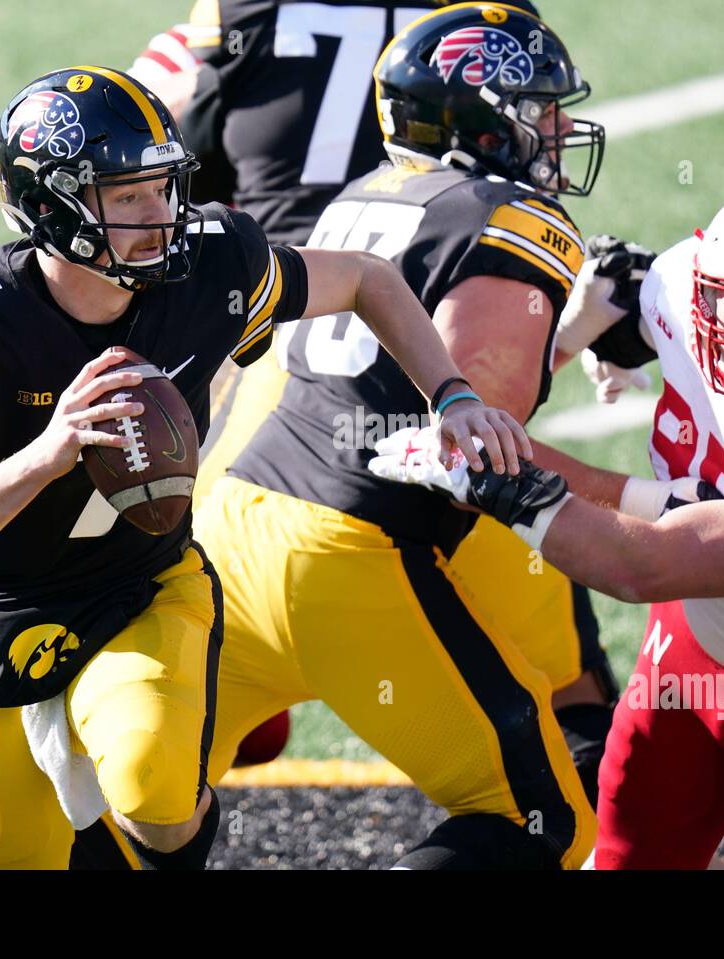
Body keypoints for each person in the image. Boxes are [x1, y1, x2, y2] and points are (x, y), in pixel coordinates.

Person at [0, 64, 527, 871]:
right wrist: (48, 450)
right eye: (129, 196)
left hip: (145, 584)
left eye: (165, 187)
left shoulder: (212, 262)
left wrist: (451, 394)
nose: (161, 216)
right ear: (50, 206)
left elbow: (367, 278)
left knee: (153, 785)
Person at [369, 177, 724, 869]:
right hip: (694, 640)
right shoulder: (680, 285)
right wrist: (587, 324)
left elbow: (644, 564)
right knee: (624, 859)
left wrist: (505, 480)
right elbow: (627, 295)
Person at [192, 2, 610, 869]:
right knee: (542, 817)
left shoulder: (362, 194)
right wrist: (656, 501)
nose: (560, 127)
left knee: (144, 803)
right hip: (347, 544)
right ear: (487, 125)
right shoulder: (515, 220)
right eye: (540, 108)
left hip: (227, 523)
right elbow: (472, 437)